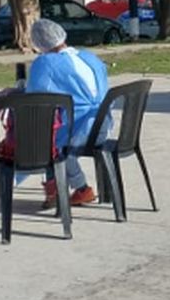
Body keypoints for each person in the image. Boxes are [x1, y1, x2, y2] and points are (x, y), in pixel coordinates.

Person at [26, 18, 109, 208]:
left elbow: (33, 95)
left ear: (39, 43)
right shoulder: (90, 57)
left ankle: (63, 189)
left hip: (77, 131)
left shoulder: (46, 63)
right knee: (52, 135)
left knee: (45, 136)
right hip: (101, 126)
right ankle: (70, 188)